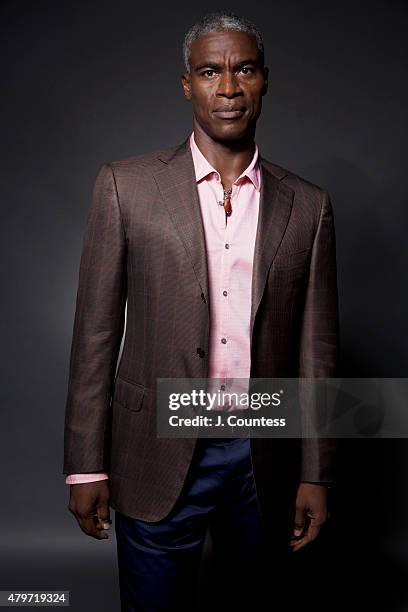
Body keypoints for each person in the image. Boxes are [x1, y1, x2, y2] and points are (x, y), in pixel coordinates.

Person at [63, 11, 340, 611]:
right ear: (187, 83)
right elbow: (95, 334)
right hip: (152, 448)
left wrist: (316, 471)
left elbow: (317, 352)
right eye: (210, 71)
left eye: (244, 70)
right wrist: (85, 466)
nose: (229, 87)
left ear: (265, 80)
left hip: (260, 457)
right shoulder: (125, 186)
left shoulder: (309, 206)